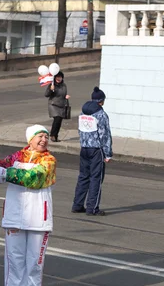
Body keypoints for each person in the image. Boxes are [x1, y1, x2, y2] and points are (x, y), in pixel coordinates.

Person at [0, 125, 57, 286]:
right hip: (14, 215)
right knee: (14, 258)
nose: (43, 140)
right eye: (39, 136)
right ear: (30, 139)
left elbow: (35, 178)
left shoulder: (49, 160)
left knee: (35, 261)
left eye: (45, 137)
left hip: (38, 218)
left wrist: (5, 172)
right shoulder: (17, 157)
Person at [72, 87, 113, 216]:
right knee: (96, 178)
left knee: (83, 177)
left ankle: (77, 205)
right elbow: (105, 135)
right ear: (102, 101)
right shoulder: (101, 114)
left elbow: (80, 130)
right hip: (97, 150)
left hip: (84, 148)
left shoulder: (83, 113)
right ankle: (92, 208)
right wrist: (107, 153)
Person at [45, 71, 70, 142]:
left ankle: (56, 136)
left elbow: (63, 94)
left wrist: (66, 96)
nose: (59, 78)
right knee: (57, 119)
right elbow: (46, 94)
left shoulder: (64, 85)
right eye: (57, 77)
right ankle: (52, 135)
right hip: (53, 105)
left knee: (59, 121)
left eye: (60, 77)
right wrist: (51, 89)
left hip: (61, 105)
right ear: (55, 77)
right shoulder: (52, 85)